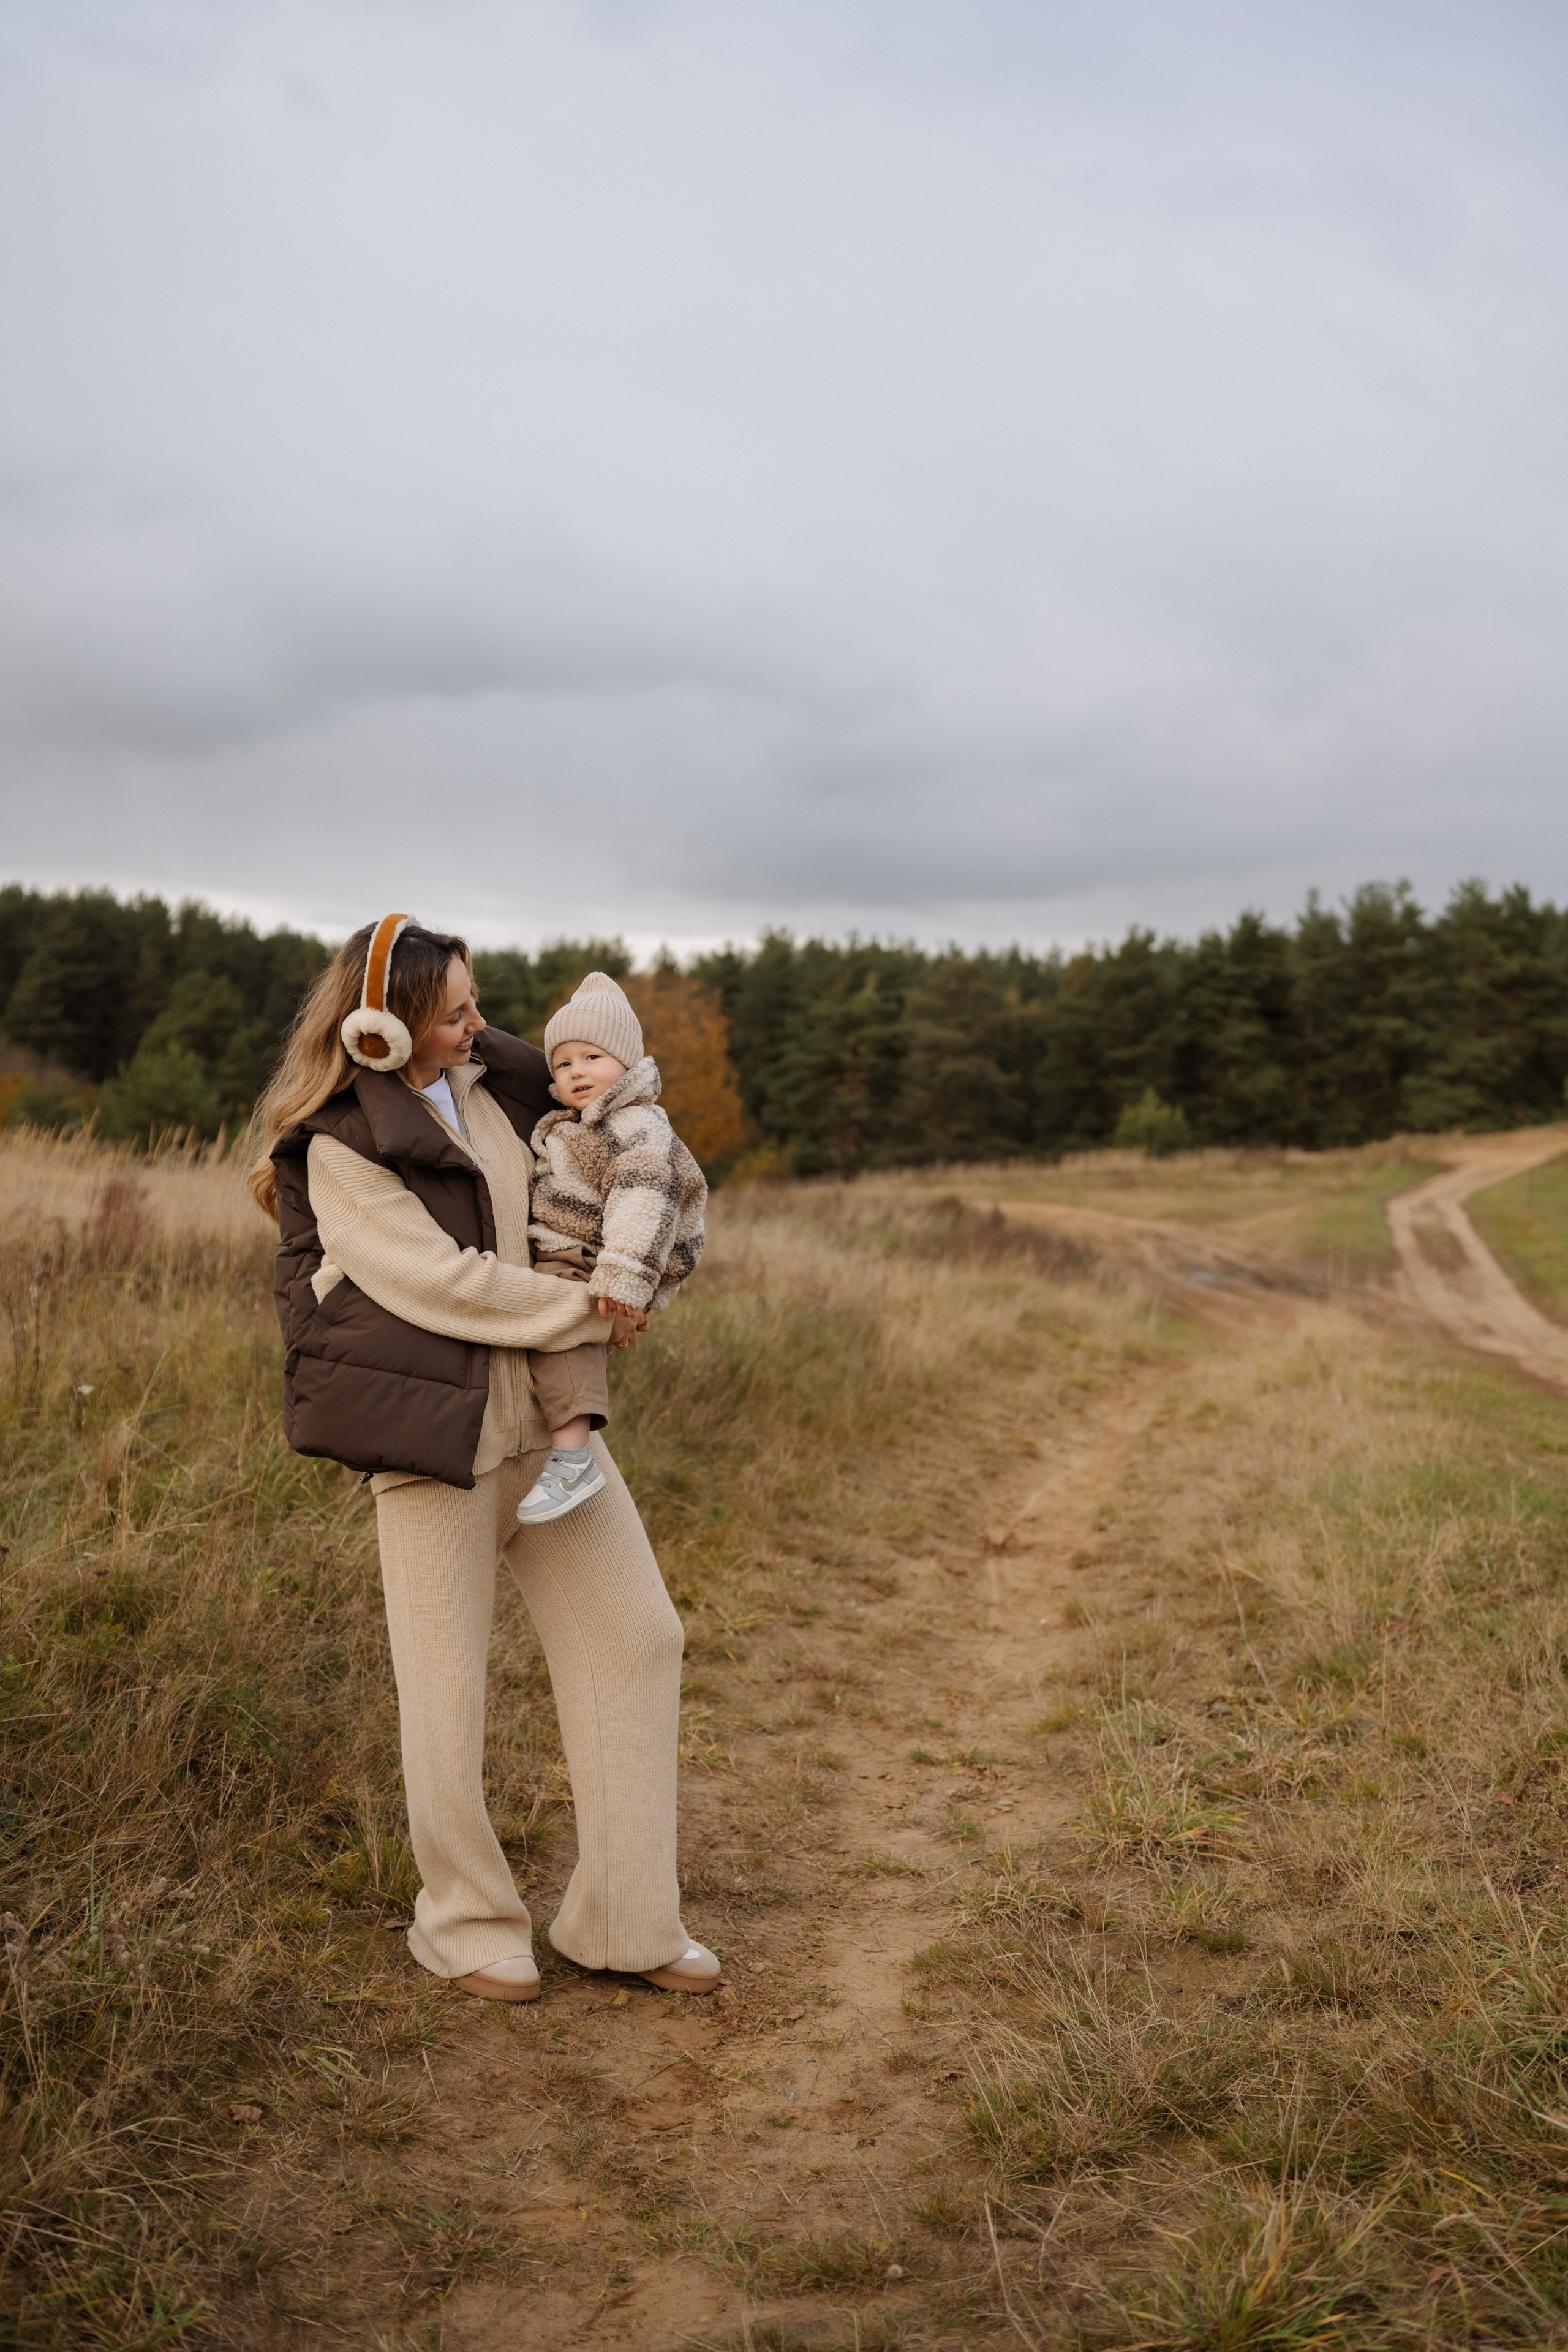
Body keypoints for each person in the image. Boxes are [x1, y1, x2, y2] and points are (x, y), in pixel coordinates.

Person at [246, 913, 720, 2005]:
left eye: (476, 1004)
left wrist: (642, 1259)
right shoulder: (338, 1145)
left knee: (639, 1637)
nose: (478, 1023)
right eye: (454, 1010)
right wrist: (591, 1312)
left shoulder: (504, 1093)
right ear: (381, 1028)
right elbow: (444, 1281)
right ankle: (465, 1925)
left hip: (543, 1435)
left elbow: (610, 1144)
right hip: (432, 1445)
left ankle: (625, 1919)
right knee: (447, 1696)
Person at [516, 971, 707, 1528]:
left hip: (595, 1260)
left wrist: (622, 1285)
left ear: (628, 1063)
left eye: (592, 1057)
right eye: (564, 1062)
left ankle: (574, 1459)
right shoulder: (580, 1124)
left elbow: (644, 1205)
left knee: (565, 1336)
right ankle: (561, 1447)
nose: (577, 1072)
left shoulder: (637, 1125)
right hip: (581, 1254)